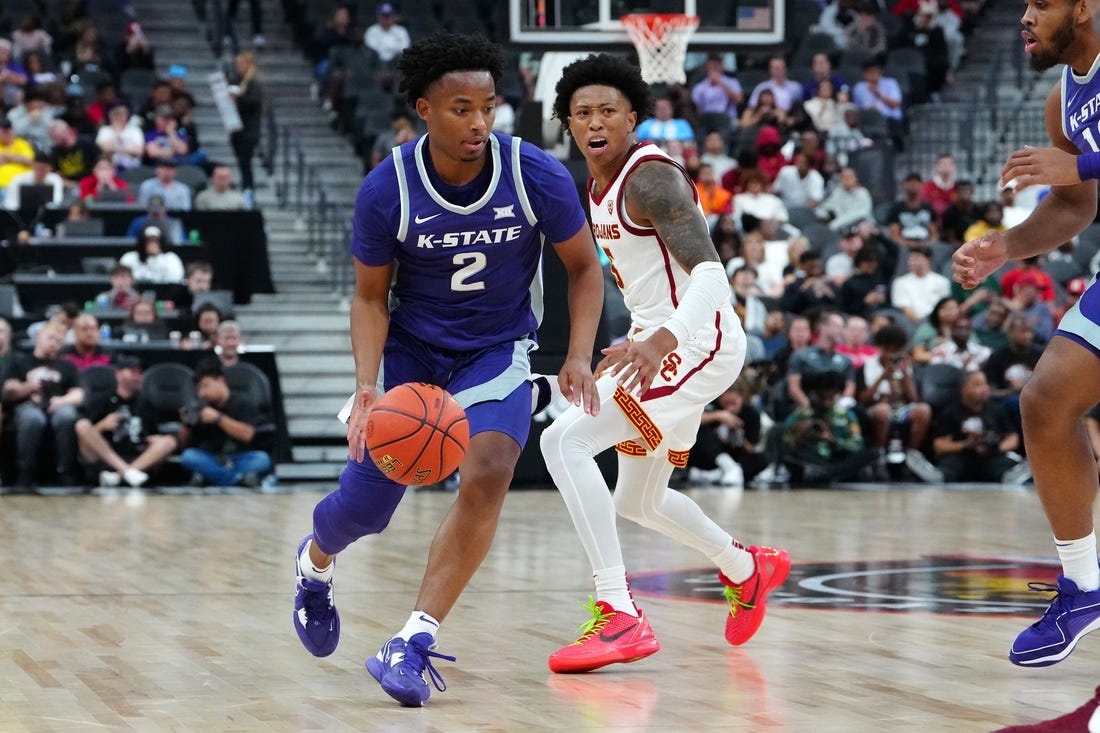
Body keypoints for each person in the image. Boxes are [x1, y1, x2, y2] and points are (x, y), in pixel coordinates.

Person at [290, 33, 604, 708]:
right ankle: (315, 562)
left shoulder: (533, 173)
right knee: (365, 512)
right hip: (412, 353)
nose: (479, 122)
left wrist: (577, 354)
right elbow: (371, 297)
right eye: (461, 108)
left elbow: (584, 268)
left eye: (488, 106)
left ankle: (414, 640)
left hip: (495, 351)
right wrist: (368, 385)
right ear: (424, 109)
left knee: (489, 470)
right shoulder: (387, 189)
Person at [539, 52, 790, 676]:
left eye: (607, 110)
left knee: (562, 442)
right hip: (660, 341)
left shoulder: (652, 178)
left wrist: (662, 340)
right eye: (581, 112)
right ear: (568, 123)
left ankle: (618, 610)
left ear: (633, 118)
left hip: (695, 343)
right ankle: (745, 567)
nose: (594, 121)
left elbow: (712, 274)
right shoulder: (596, 186)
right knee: (638, 501)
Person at [951, 0, 1100, 675]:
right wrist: (1003, 247)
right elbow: (1073, 204)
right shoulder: (1061, 101)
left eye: (1040, 3)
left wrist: (1082, 166)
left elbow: (1079, 177)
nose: (1026, 16)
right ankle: (1083, 587)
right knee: (1043, 401)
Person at [74, 355, 177, 489]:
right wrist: (103, 425)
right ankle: (127, 471)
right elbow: (86, 435)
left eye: (139, 372)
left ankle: (119, 476)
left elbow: (153, 433)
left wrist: (155, 439)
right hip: (106, 455)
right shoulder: (102, 400)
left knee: (169, 441)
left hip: (136, 455)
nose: (137, 376)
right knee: (82, 425)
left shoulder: (146, 403)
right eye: (132, 372)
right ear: (118, 374)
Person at [1, 324, 84, 489]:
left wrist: (62, 401)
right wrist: (28, 387)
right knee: (33, 418)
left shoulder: (67, 366)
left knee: (67, 415)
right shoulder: (20, 361)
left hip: (57, 405)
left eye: (59, 340)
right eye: (50, 338)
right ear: (39, 337)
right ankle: (26, 472)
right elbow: (8, 390)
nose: (54, 343)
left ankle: (65, 471)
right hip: (27, 406)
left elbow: (79, 394)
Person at [178, 357, 273, 487]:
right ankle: (238, 480)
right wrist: (186, 424)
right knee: (188, 457)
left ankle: (212, 477)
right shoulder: (201, 407)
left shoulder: (243, 403)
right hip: (212, 458)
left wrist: (218, 418)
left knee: (262, 459)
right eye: (199, 389)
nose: (202, 393)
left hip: (239, 457)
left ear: (221, 381)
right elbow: (184, 444)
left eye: (205, 386)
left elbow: (248, 434)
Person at [228, 52, 263, 198]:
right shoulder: (236, 81)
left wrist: (239, 98)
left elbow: (254, 103)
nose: (238, 67)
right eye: (236, 64)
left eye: (241, 64)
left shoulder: (254, 83)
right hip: (236, 127)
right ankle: (246, 186)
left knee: (245, 159)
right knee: (241, 160)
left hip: (249, 129)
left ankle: (248, 188)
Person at [119, 227, 186, 284]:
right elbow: (120, 278)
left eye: (155, 241)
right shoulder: (129, 257)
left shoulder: (171, 258)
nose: (152, 244)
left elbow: (175, 280)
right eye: (148, 241)